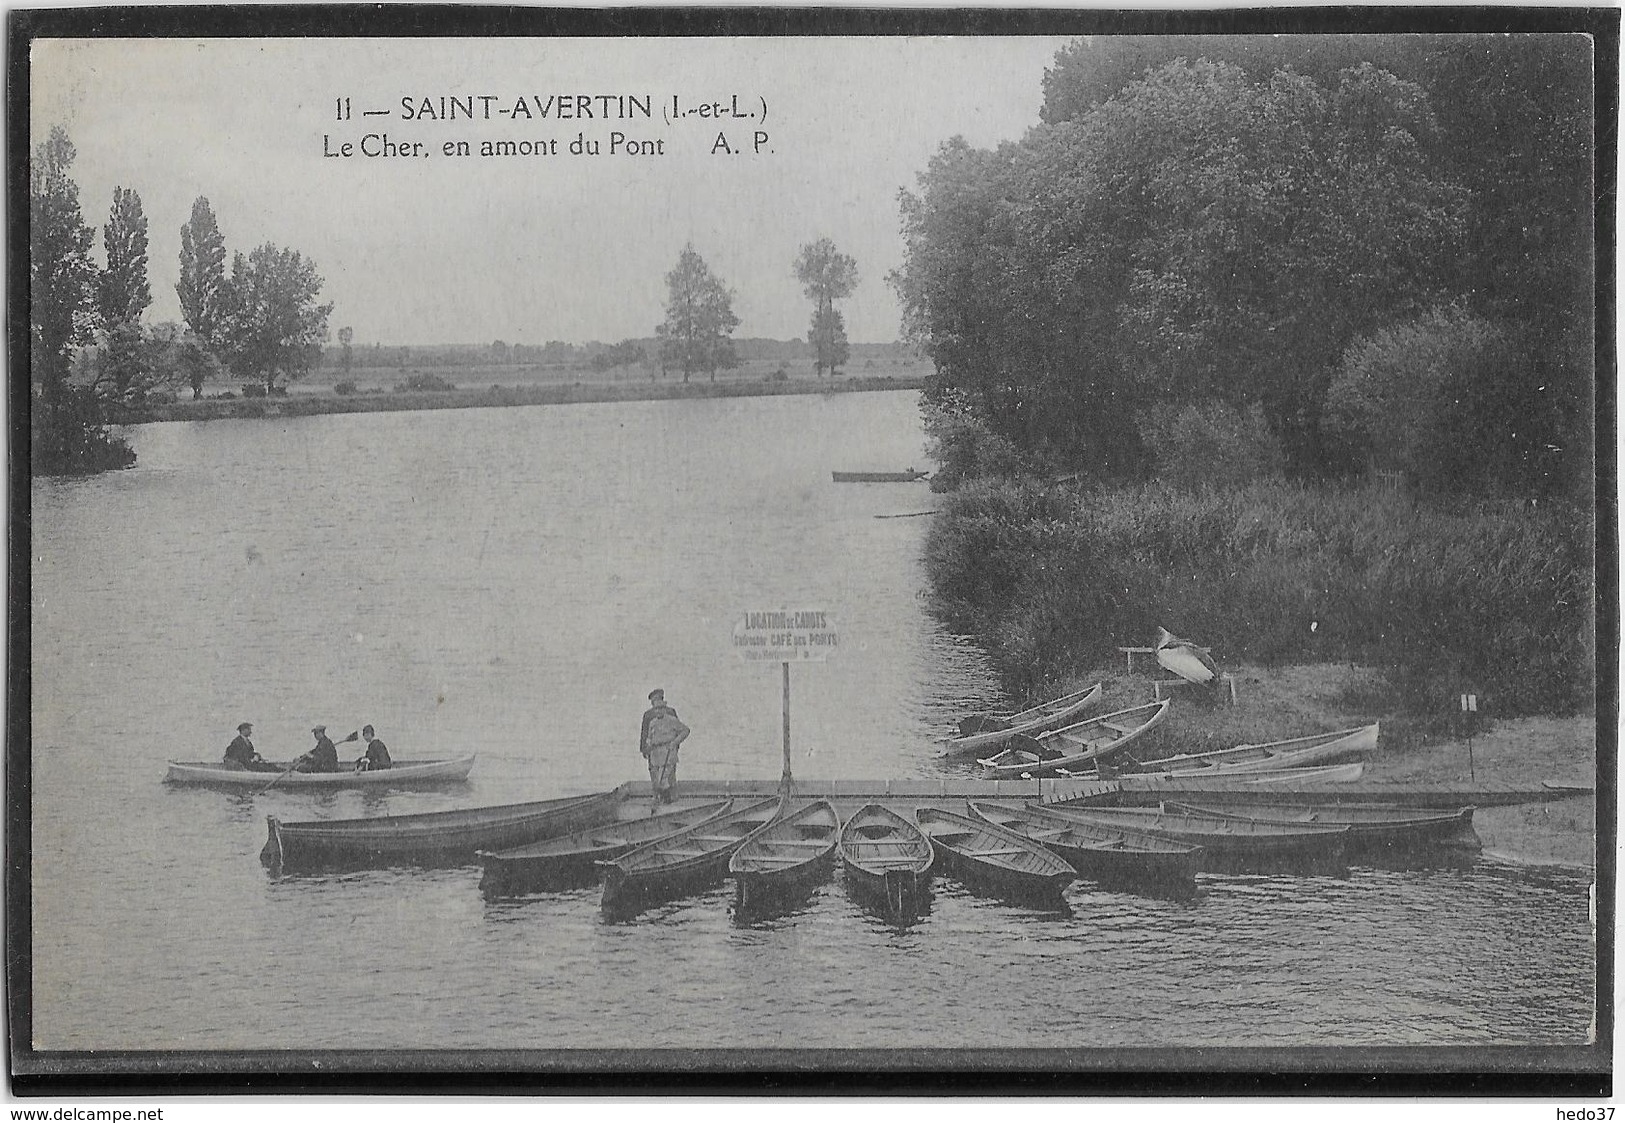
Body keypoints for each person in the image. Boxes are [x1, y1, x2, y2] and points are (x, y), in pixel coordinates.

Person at [639, 688, 689, 810]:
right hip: (654, 751)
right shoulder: (649, 716)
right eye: (655, 704)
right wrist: (644, 749)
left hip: (668, 749)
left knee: (668, 774)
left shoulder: (671, 713)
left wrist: (675, 745)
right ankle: (657, 797)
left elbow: (680, 731)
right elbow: (645, 733)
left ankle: (671, 798)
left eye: (659, 700)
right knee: (655, 774)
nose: (658, 709)